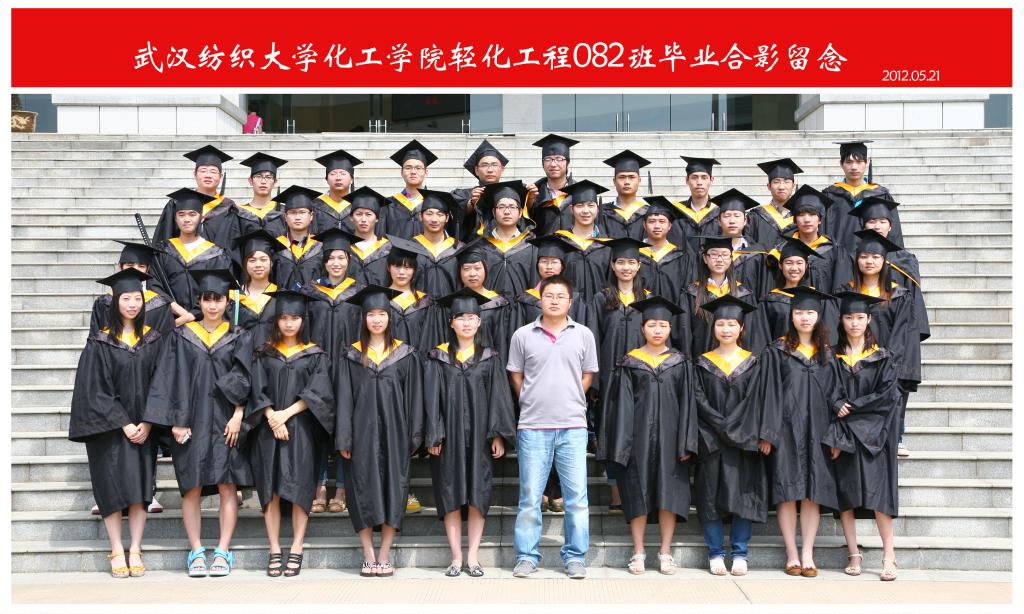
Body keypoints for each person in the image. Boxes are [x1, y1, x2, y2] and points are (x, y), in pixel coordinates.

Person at [144, 269, 252, 578]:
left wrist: (238, 415)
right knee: (191, 487)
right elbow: (170, 378)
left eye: (218, 300)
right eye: (207, 299)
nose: (213, 306)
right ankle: (196, 550)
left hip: (226, 421)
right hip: (190, 421)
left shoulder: (239, 335)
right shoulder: (181, 336)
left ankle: (223, 550)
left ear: (227, 302)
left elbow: (246, 377)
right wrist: (176, 422)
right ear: (199, 302)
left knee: (227, 485)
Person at [69, 268, 164, 578]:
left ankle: (135, 548)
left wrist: (148, 422)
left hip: (144, 428)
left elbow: (162, 384)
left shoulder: (153, 339)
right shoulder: (99, 341)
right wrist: (124, 423)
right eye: (126, 299)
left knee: (139, 488)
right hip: (108, 430)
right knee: (110, 487)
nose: (132, 304)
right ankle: (116, 548)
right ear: (115, 301)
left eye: (137, 298)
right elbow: (94, 389)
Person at [597, 296, 697, 576]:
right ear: (642, 328)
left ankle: (665, 552)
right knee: (637, 494)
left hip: (671, 440)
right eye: (652, 325)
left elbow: (688, 405)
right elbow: (620, 407)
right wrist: (622, 446)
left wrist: (686, 442)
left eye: (662, 325)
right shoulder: (629, 362)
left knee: (669, 495)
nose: (657, 330)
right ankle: (638, 551)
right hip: (636, 441)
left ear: (670, 329)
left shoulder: (680, 362)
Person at [508, 275, 599, 580]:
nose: (555, 300)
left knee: (576, 499)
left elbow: (588, 374)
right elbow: (516, 375)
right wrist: (530, 399)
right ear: (540, 299)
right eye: (549, 295)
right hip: (533, 426)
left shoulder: (583, 334)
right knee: (530, 498)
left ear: (570, 302)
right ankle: (526, 556)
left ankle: (575, 557)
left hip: (573, 426)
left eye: (561, 296)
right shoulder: (523, 335)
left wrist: (572, 398)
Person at [424, 288, 517, 577]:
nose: (466, 323)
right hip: (448, 438)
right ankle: (455, 558)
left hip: (480, 437)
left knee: (478, 493)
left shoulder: (490, 357)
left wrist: (498, 434)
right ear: (451, 323)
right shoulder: (437, 357)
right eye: (460, 318)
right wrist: (434, 434)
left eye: (471, 318)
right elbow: (431, 400)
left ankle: (473, 557)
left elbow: (499, 398)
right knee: (450, 493)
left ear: (479, 322)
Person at [335, 285, 427, 578]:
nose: (376, 320)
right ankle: (368, 555)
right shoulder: (351, 354)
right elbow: (344, 398)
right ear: (363, 318)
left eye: (382, 314)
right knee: (361, 491)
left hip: (395, 434)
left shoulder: (405, 353)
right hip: (360, 435)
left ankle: (384, 555)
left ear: (390, 317)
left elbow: (414, 398)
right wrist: (344, 436)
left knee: (393, 491)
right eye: (371, 314)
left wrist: (414, 435)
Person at [245, 290, 335, 577]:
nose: (289, 323)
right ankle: (274, 548)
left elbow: (318, 392)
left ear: (303, 321)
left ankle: (297, 545)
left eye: (295, 318)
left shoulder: (315, 354)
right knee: (270, 490)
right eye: (284, 318)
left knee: (299, 489)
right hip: (267, 429)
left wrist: (285, 414)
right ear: (276, 320)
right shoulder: (264, 353)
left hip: (301, 430)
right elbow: (255, 390)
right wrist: (272, 416)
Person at [761, 286, 842, 578]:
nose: (804, 318)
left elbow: (836, 396)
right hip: (786, 429)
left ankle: (808, 552)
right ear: (791, 316)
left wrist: (836, 436)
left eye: (810, 313)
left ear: (818, 317)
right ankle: (791, 553)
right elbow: (769, 393)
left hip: (819, 431)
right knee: (787, 491)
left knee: (812, 493)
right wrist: (768, 433)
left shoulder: (828, 354)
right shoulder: (777, 350)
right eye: (799, 313)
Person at [692, 295, 775, 577]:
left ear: (742, 328)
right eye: (721, 324)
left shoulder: (754, 363)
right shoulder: (702, 363)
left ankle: (740, 553)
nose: (726, 329)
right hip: (711, 440)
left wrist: (759, 434)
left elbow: (759, 401)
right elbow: (698, 400)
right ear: (713, 327)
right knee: (709, 495)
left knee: (744, 495)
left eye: (732, 324)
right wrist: (722, 426)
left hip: (746, 440)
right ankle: (715, 553)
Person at [824, 291, 903, 581]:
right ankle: (853, 554)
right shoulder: (831, 356)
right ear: (841, 320)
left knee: (879, 498)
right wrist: (836, 404)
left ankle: (889, 556)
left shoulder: (882, 357)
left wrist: (853, 406)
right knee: (847, 495)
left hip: (874, 437)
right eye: (849, 317)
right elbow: (826, 391)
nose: (854, 323)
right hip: (844, 435)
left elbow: (887, 396)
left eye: (859, 317)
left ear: (869, 319)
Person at [834, 230, 922, 459]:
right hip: (852, 363)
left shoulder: (899, 295)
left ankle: (895, 439)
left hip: (885, 364)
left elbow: (902, 333)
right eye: (864, 256)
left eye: (875, 257)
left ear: (884, 261)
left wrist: (884, 363)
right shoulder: (846, 292)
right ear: (857, 260)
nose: (869, 261)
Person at [299, 228, 366, 514]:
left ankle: (341, 487)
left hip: (349, 368)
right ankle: (319, 486)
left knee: (345, 426)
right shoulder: (311, 292)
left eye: (341, 258)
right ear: (324, 261)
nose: (336, 263)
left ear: (349, 260)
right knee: (318, 425)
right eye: (331, 258)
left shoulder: (359, 292)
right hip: (318, 369)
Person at [152, 188, 233, 321]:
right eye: (181, 214)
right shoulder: (163, 250)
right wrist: (181, 313)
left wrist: (192, 315)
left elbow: (221, 290)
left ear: (202, 218)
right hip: (170, 321)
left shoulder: (216, 254)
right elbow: (154, 285)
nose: (186, 219)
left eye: (192, 214)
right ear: (175, 218)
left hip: (205, 322)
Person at [747, 236, 830, 353]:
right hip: (778, 358)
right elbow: (760, 339)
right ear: (780, 265)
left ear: (806, 265)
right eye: (789, 263)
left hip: (812, 358)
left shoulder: (818, 299)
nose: (794, 268)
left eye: (799, 263)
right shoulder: (769, 302)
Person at [153, 145, 240, 254]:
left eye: (213, 171)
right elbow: (164, 238)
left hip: (217, 262)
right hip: (178, 262)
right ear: (195, 174)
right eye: (203, 171)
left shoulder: (229, 208)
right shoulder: (177, 203)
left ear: (221, 176)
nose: (208, 175)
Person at [679, 236, 754, 358]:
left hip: (735, 363)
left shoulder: (743, 294)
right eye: (714, 255)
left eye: (725, 255)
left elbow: (750, 334)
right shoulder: (691, 294)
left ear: (731, 258)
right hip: (701, 362)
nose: (719, 259)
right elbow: (684, 334)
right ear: (705, 258)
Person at [822, 140, 903, 250]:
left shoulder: (880, 195)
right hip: (838, 258)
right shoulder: (830, 196)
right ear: (841, 164)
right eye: (849, 162)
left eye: (859, 162)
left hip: (873, 256)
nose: (854, 167)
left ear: (867, 162)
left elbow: (894, 234)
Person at [89, 240, 173, 336]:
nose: (135, 270)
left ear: (148, 269)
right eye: (130, 265)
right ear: (120, 266)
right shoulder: (104, 303)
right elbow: (95, 338)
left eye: (141, 266)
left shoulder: (160, 304)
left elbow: (167, 339)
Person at [779, 184, 846, 297]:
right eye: (801, 215)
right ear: (795, 220)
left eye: (812, 214)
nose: (807, 220)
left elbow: (840, 287)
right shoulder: (782, 249)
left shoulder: (834, 250)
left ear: (820, 219)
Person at [453, 242, 515, 363]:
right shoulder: (450, 303)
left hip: (490, 365)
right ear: (459, 272)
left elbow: (502, 343)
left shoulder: (499, 304)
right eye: (466, 269)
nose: (472, 274)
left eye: (477, 268)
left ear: (486, 270)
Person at [383, 242, 448, 357]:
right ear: (388, 267)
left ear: (414, 270)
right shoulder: (381, 298)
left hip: (418, 364)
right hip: (387, 364)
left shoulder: (427, 303)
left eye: (407, 267)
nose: (402, 272)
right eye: (397, 266)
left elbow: (430, 341)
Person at [475, 180, 537, 299]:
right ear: (494, 212)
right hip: (489, 308)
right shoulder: (481, 246)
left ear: (520, 213)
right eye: (501, 207)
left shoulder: (531, 245)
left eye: (512, 207)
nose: (507, 212)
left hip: (521, 307)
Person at [514, 235, 590, 330]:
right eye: (544, 261)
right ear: (537, 265)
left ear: (562, 266)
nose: (549, 266)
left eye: (554, 262)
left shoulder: (574, 299)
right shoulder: (525, 299)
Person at [555, 179, 613, 302]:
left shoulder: (608, 246)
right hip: (568, 308)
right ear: (571, 209)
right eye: (580, 205)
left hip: (601, 307)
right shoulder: (560, 242)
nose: (585, 211)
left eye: (591, 205)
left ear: (598, 209)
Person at [229, 230, 286, 347]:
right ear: (245, 264)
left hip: (273, 356)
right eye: (252, 260)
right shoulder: (234, 297)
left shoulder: (281, 297)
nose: (258, 265)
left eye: (263, 259)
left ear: (271, 263)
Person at [711, 188, 770, 299]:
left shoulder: (758, 254)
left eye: (737, 216)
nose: (732, 221)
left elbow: (763, 291)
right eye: (727, 216)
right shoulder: (708, 253)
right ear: (719, 221)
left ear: (745, 220)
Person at [452, 140, 511, 242]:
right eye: (484, 165)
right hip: (471, 247)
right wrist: (471, 204)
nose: (490, 170)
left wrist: (530, 199)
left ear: (502, 169)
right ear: (476, 170)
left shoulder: (512, 193)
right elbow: (453, 220)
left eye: (494, 165)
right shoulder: (462, 195)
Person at [637, 196, 694, 303]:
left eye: (662, 221)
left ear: (669, 226)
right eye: (652, 221)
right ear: (644, 225)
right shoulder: (635, 255)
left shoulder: (681, 257)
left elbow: (687, 293)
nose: (657, 226)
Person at [383, 139, 438, 239]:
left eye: (418, 168)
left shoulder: (436, 204)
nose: (413, 172)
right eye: (408, 168)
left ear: (426, 172)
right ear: (401, 172)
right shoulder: (388, 205)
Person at [271, 185, 324, 289]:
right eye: (292, 212)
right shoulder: (276, 246)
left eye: (302, 212)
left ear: (311, 216)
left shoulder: (320, 246)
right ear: (285, 217)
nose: (297, 217)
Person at [529, 134, 579, 236]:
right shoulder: (533, 194)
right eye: (548, 159)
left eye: (559, 159)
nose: (553, 164)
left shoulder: (579, 192)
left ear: (567, 163)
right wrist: (530, 201)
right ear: (543, 164)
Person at [343, 186, 393, 286]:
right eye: (359, 214)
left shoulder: (388, 248)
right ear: (351, 218)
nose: (363, 219)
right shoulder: (344, 247)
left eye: (368, 214)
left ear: (377, 218)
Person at [670, 156, 722, 251]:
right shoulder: (675, 211)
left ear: (711, 180)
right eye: (694, 177)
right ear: (687, 180)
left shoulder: (720, 212)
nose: (699, 182)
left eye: (704, 177)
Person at [747, 158, 802, 247]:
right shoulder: (756, 216)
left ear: (793, 186)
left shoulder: (801, 216)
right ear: (769, 186)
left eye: (786, 182)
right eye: (776, 182)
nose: (781, 187)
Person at [235, 152, 288, 239]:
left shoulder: (285, 212)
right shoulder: (239, 213)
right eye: (258, 176)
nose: (263, 181)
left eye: (268, 177)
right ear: (250, 181)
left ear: (275, 182)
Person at [601, 150, 651, 240]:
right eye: (622, 177)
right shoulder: (602, 212)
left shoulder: (649, 213)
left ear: (639, 180)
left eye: (632, 177)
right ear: (614, 181)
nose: (627, 182)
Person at [312, 148, 363, 234]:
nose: (338, 178)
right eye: (333, 174)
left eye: (343, 174)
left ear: (351, 180)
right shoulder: (315, 206)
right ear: (327, 180)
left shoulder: (360, 205)